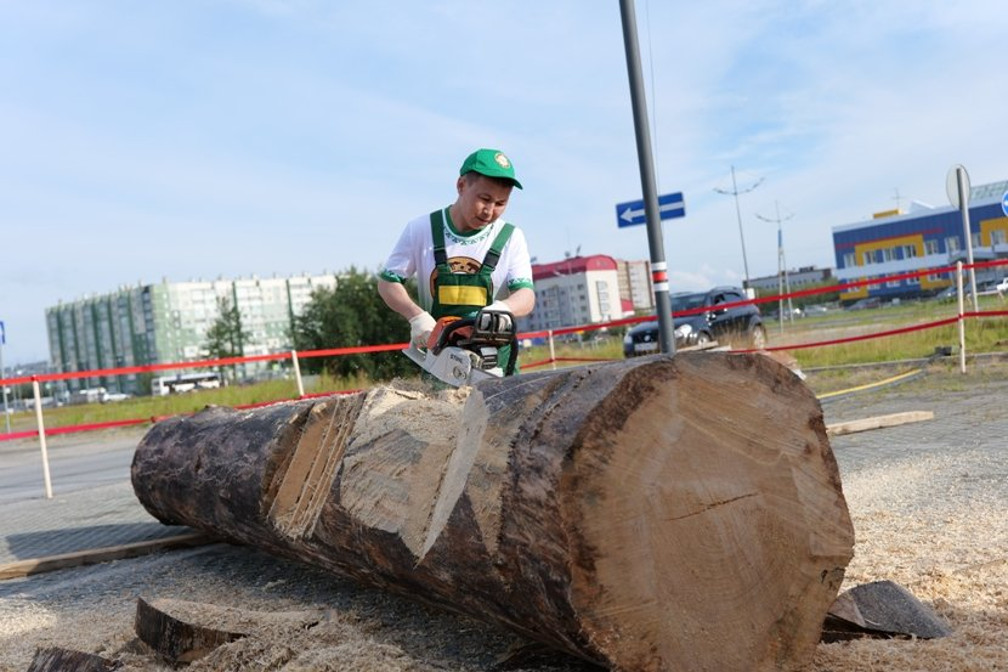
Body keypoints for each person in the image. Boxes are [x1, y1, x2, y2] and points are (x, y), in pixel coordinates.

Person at [377, 148, 535, 374]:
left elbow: (526, 297)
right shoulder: (421, 230)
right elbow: (387, 283)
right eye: (485, 199)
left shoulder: (510, 237)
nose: (490, 211)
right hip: (440, 361)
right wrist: (416, 316)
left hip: (495, 365)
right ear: (461, 186)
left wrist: (502, 308)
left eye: (501, 203)